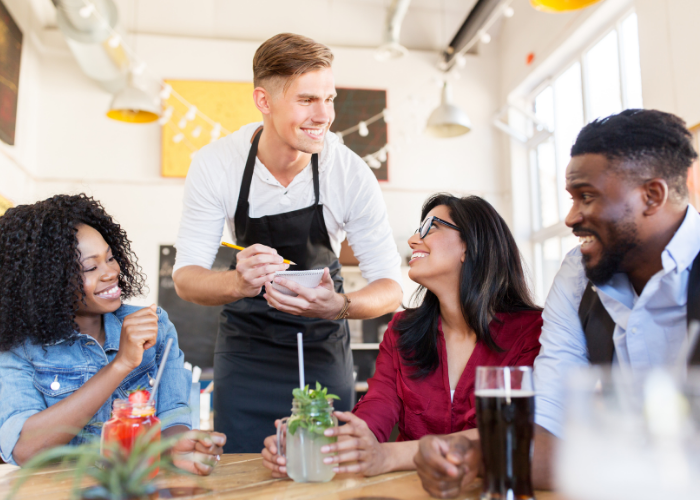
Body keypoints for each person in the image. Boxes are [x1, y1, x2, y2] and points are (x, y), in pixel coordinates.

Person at [413, 109, 700, 497]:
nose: (570, 217)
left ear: (652, 196)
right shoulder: (578, 274)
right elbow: (548, 426)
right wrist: (473, 455)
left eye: (587, 197)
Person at [172, 33, 403, 453]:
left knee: (322, 465)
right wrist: (237, 284)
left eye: (329, 98)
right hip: (246, 349)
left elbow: (391, 287)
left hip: (321, 345)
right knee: (243, 467)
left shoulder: (348, 173)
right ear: (264, 101)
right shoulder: (216, 165)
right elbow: (187, 279)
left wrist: (342, 306)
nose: (325, 115)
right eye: (307, 100)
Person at [261, 194, 542, 478]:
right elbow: (376, 411)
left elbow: (522, 434)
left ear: (470, 245)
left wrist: (388, 456)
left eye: (431, 227)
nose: (412, 240)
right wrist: (314, 449)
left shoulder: (534, 332)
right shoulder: (401, 331)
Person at [0, 194, 226, 473]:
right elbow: (24, 449)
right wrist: (120, 364)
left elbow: (172, 415)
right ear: (47, 282)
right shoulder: (19, 348)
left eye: (110, 257)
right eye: (91, 267)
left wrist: (178, 447)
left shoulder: (154, 324)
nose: (111, 272)